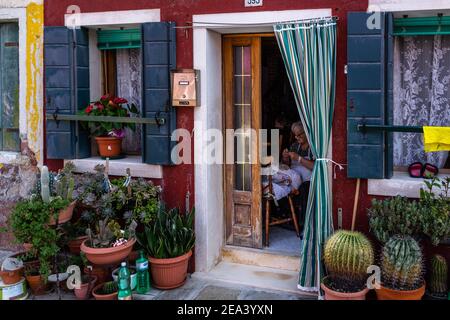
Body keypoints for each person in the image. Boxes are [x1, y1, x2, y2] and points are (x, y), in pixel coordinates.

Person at [282, 122, 315, 229]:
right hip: (294, 178)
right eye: (295, 135)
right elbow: (287, 166)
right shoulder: (294, 146)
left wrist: (299, 158)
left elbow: (315, 167)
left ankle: (303, 225)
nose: (297, 137)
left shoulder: (314, 147)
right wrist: (286, 159)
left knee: (305, 188)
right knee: (281, 185)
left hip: (308, 180)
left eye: (299, 134)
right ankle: (287, 218)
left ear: (306, 132)